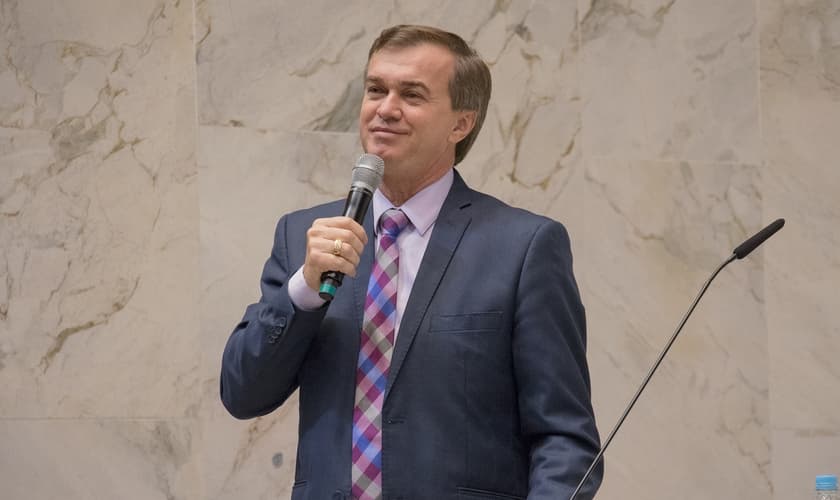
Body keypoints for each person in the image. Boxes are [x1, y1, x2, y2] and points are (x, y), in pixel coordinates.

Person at [221, 24, 602, 500]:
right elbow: (242, 393)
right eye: (376, 90)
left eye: (412, 95)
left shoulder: (523, 247)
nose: (385, 108)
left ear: (461, 124)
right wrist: (302, 290)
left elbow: (564, 436)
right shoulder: (303, 236)